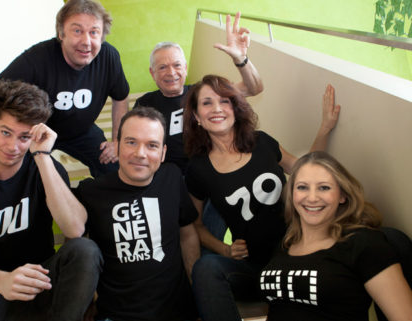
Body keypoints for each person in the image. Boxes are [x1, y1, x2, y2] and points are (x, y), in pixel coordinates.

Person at [0, 80, 102, 321]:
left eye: (24, 137)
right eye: (5, 132)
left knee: (85, 250)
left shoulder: (46, 167)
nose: (13, 146)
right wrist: (2, 280)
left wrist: (42, 156)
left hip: (42, 284)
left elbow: (75, 229)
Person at [183, 75, 340, 321]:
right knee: (207, 268)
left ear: (235, 107)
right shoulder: (198, 169)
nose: (216, 108)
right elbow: (196, 224)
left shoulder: (262, 142)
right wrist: (224, 249)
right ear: (196, 117)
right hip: (256, 268)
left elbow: (307, 169)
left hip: (298, 250)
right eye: (206, 103)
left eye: (224, 101)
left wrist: (325, 128)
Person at [0, 0, 129, 178]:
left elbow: (121, 98)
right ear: (61, 33)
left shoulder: (109, 57)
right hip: (37, 135)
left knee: (116, 166)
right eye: (77, 30)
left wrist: (118, 141)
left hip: (83, 130)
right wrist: (2, 142)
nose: (86, 42)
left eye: (94, 32)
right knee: (49, 177)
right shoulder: (37, 58)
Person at [75, 107, 200, 321]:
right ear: (117, 145)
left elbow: (187, 234)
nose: (140, 153)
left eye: (152, 145)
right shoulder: (91, 192)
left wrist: (196, 290)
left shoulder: (171, 177)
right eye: (131, 142)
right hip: (115, 314)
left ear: (163, 153)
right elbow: (79, 252)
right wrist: (92, 299)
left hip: (177, 312)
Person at [260, 151, 412, 321]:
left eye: (324, 187)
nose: (312, 198)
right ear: (292, 194)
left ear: (342, 195)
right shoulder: (284, 245)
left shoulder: (364, 243)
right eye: (302, 187)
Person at [134, 12, 263, 173]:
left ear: (186, 68)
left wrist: (240, 58)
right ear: (152, 73)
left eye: (177, 65)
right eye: (162, 67)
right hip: (170, 175)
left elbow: (253, 88)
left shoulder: (203, 92)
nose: (171, 72)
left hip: (211, 168)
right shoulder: (145, 104)